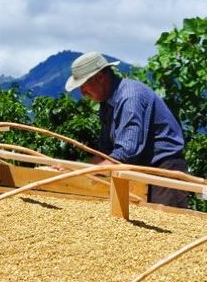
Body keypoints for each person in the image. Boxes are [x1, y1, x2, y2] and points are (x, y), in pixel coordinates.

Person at [65, 51, 189, 208]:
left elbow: (125, 153)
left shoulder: (130, 97)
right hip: (140, 171)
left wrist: (83, 173)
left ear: (100, 77)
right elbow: (105, 153)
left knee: (168, 224)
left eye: (83, 85)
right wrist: (73, 168)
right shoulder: (107, 104)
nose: (82, 93)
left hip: (165, 171)